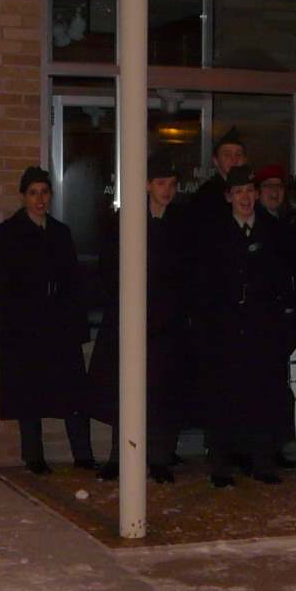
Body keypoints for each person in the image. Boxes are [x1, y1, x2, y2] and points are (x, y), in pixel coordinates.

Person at [88, 152, 189, 484]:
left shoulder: (181, 223)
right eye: (161, 183)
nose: (167, 190)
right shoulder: (126, 220)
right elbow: (108, 267)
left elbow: (188, 273)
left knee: (162, 392)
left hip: (167, 323)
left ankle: (159, 457)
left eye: (172, 184)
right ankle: (120, 457)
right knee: (126, 390)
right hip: (131, 319)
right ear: (147, 185)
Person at [0, 166, 95, 474]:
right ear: (23, 196)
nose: (39, 199)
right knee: (28, 394)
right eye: (33, 193)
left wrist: (78, 324)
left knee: (73, 394)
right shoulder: (7, 233)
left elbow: (74, 282)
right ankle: (34, 456)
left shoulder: (61, 232)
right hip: (25, 327)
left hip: (60, 326)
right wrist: (2, 328)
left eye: (45, 192)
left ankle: (83, 455)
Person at [194, 165, 295, 488]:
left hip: (262, 330)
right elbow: (203, 285)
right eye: (239, 192)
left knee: (263, 396)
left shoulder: (273, 231)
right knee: (223, 397)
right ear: (229, 197)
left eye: (250, 191)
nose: (246, 198)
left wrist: (281, 323)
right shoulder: (213, 233)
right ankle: (221, 464)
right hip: (224, 331)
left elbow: (283, 280)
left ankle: (262, 461)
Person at [189, 125, 247, 224]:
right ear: (216, 161)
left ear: (245, 160)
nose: (234, 159)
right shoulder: (207, 194)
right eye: (227, 155)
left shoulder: (253, 189)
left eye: (238, 154)